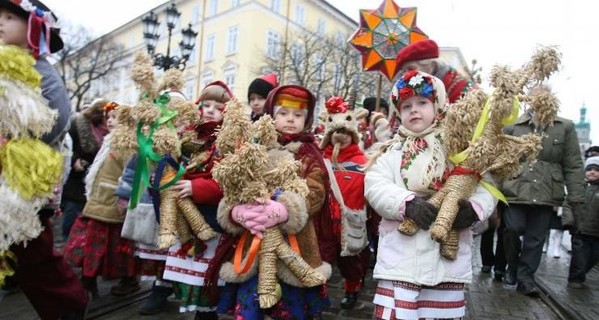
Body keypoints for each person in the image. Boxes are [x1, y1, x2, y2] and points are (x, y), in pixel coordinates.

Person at [364, 70, 496, 320]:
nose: (414, 110)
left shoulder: (460, 148)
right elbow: (375, 185)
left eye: (422, 103)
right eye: (406, 106)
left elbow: (484, 185)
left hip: (445, 262)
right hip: (401, 260)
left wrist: (473, 210)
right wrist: (406, 203)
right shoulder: (393, 151)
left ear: (438, 106)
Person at [0, 0, 89, 318]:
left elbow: (57, 118)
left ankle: (69, 306)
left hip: (25, 180)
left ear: (34, 27)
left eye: (10, 17)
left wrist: (14, 140)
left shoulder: (40, 68)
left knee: (31, 252)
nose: (1, 23)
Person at [217, 85, 332, 319]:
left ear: (307, 119)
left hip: (295, 243)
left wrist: (285, 209)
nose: (290, 119)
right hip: (253, 241)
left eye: (298, 115)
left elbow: (316, 192)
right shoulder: (254, 148)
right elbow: (233, 187)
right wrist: (236, 212)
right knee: (251, 305)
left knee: (290, 308)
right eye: (283, 113)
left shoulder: (309, 154)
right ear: (271, 115)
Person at [500, 85, 586, 297]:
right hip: (515, 188)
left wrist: (576, 197)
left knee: (536, 239)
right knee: (512, 229)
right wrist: (493, 192)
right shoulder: (513, 126)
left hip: (547, 191)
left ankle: (526, 278)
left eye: (544, 96)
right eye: (534, 97)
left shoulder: (564, 126)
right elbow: (499, 160)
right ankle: (512, 265)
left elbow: (573, 164)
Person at [161, 81, 233, 319]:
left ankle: (207, 313)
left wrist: (196, 186)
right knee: (188, 273)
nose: (210, 110)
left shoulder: (229, 142)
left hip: (210, 217)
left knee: (206, 275)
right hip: (185, 215)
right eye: (206, 104)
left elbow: (229, 183)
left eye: (218, 106)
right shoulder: (188, 137)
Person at [63, 102, 139, 297]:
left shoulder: (128, 143)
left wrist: (124, 199)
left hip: (112, 203)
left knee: (105, 245)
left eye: (115, 117)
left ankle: (95, 280)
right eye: (109, 117)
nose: (110, 121)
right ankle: (91, 279)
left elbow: (131, 173)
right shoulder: (110, 140)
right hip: (99, 200)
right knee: (95, 243)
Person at [319, 96, 370, 309]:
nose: (340, 137)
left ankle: (352, 287)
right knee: (321, 259)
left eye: (345, 133)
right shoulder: (321, 159)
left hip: (351, 222)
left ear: (353, 136)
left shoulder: (363, 162)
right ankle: (318, 294)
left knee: (350, 263)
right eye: (336, 133)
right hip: (325, 222)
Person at [61, 98, 109, 239]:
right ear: (98, 116)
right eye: (108, 116)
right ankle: (67, 246)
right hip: (75, 181)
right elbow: (66, 146)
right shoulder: (78, 124)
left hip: (94, 185)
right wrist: (75, 160)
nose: (110, 120)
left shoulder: (111, 132)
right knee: (71, 217)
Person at [395, 39, 475, 104]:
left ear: (432, 66)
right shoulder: (414, 90)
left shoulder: (460, 89)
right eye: (403, 71)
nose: (405, 75)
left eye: (411, 69)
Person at [567, 156, 599, 289]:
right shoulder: (579, 187)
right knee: (579, 257)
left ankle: (581, 272)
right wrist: (569, 221)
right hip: (579, 230)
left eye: (596, 170)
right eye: (589, 169)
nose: (592, 172)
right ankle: (575, 279)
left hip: (596, 232)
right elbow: (567, 204)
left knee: (593, 257)